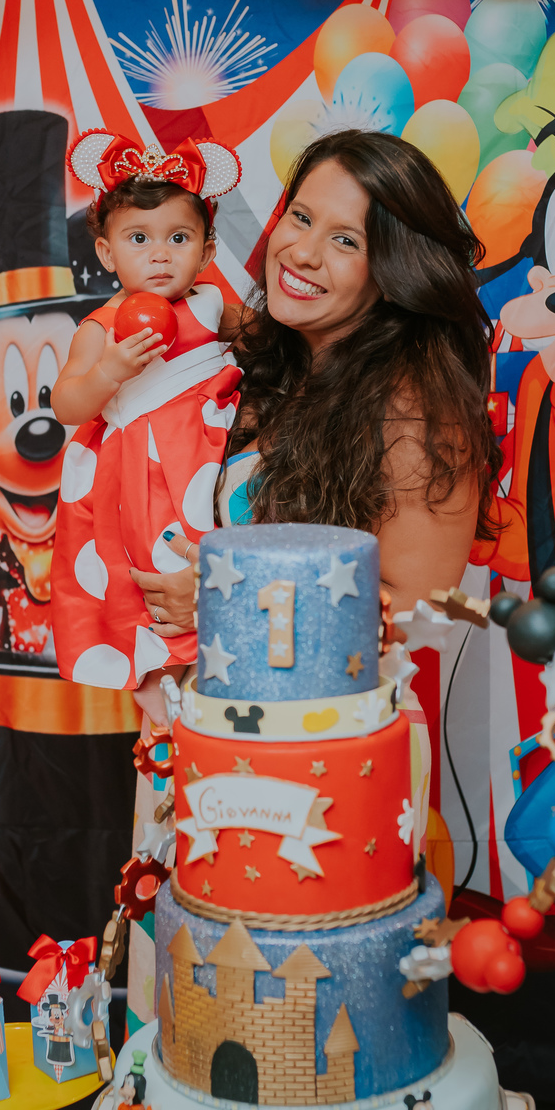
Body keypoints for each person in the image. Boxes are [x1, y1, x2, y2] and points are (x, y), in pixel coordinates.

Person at [131, 129, 499, 633]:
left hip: (330, 708)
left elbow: (421, 608)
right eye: (301, 218)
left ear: (395, 271)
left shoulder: (418, 416)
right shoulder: (270, 350)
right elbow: (162, 315)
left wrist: (228, 596)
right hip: (210, 698)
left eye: (346, 240)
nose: (302, 252)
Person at [51, 131, 244, 726]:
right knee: (148, 567)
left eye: (178, 239)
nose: (160, 255)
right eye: (139, 239)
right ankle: (159, 674)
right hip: (142, 464)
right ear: (108, 254)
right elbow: (66, 403)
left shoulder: (212, 306)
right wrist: (109, 370)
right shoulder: (102, 325)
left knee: (209, 555)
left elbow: (273, 341)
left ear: (207, 252)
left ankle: (212, 664)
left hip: (209, 452)